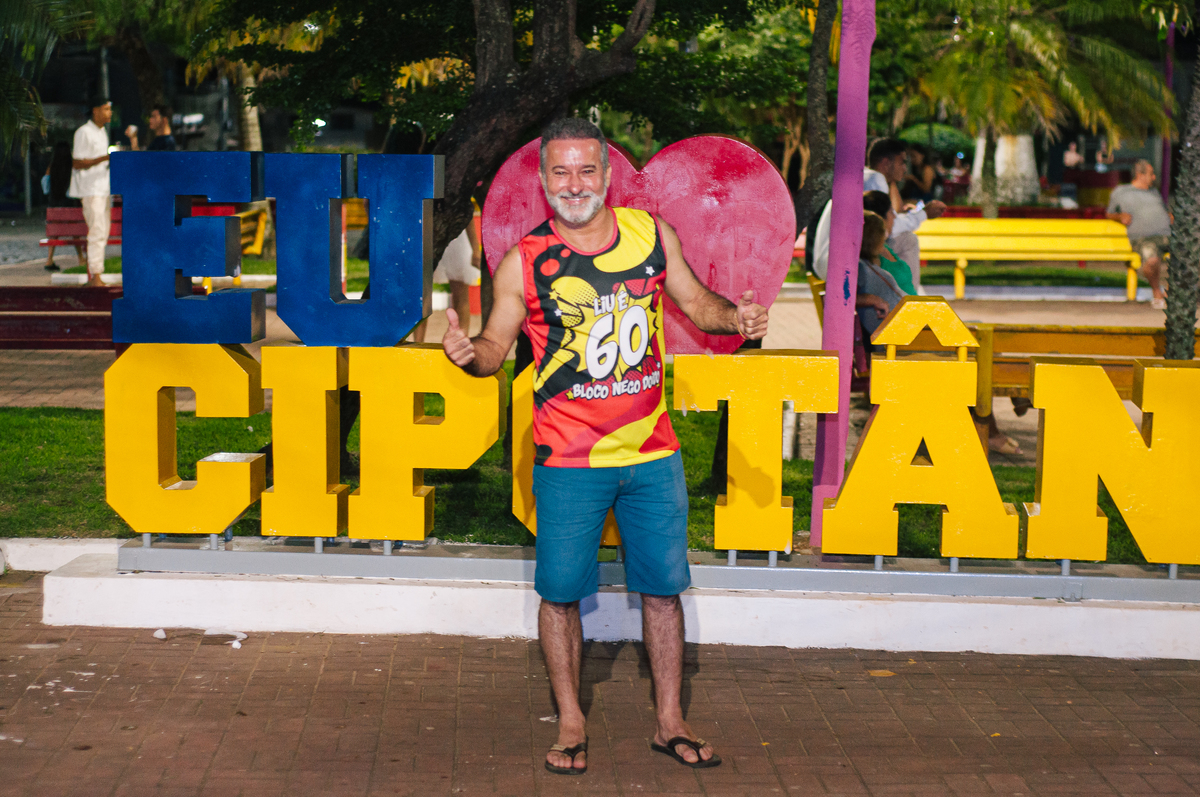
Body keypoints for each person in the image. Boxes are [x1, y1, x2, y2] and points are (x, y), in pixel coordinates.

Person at [442, 117, 767, 775]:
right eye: (561, 171)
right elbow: (495, 346)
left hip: (652, 455)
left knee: (663, 591)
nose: (575, 183)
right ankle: (570, 723)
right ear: (543, 179)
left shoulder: (651, 235)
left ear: (607, 175)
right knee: (560, 594)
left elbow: (698, 305)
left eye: (587, 169)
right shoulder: (525, 261)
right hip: (569, 461)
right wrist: (467, 354)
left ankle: (670, 722)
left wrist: (737, 318)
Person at [812, 138, 946, 292]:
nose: (905, 169)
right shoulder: (875, 178)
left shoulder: (864, 176)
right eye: (902, 162)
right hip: (839, 262)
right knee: (908, 240)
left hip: (826, 261)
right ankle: (909, 298)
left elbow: (889, 218)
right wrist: (924, 214)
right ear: (886, 163)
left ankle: (903, 292)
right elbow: (886, 228)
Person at [412, 202, 482, 343]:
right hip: (426, 232)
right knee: (422, 293)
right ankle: (417, 343)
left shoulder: (459, 189)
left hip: (456, 235)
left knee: (460, 292)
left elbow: (466, 211)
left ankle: (461, 340)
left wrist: (475, 248)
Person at [1107, 160, 1172, 309]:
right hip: (1144, 237)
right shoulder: (1121, 192)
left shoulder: (1154, 192)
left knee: (1190, 254)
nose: (1154, 177)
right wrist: (1120, 216)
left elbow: (1163, 211)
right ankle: (1157, 293)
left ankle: (1171, 293)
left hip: (1168, 234)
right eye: (1151, 174)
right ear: (1140, 175)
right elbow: (1109, 213)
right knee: (1152, 261)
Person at [69, 96, 113, 288]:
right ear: (95, 111)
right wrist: (104, 158)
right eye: (106, 109)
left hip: (103, 189)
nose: (110, 113)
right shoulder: (83, 132)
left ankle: (96, 274)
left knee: (102, 231)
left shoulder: (102, 132)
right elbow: (77, 162)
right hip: (90, 190)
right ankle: (95, 275)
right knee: (97, 231)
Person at [862, 190, 915, 294]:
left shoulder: (885, 248)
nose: (894, 217)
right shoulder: (873, 256)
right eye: (891, 212)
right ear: (881, 218)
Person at [42, 141, 84, 272]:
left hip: (54, 205)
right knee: (75, 231)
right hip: (69, 204)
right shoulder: (72, 166)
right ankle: (81, 258)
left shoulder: (52, 167)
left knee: (54, 231)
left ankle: (49, 259)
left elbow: (45, 187)